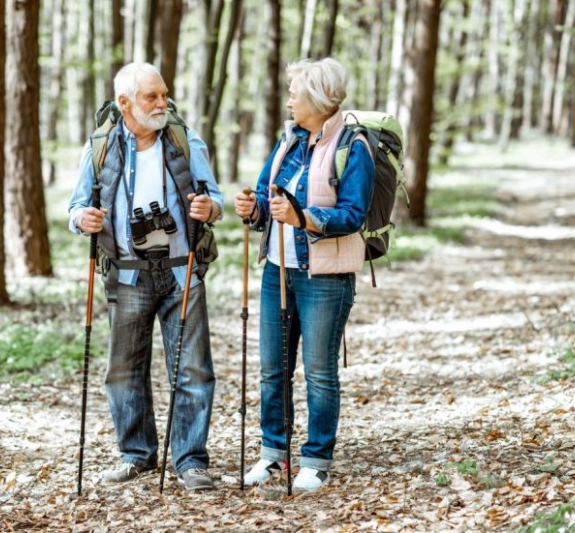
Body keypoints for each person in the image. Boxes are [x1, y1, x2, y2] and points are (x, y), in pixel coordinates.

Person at [68, 62, 223, 492]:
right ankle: (136, 454)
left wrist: (209, 208)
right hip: (128, 275)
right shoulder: (100, 147)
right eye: (152, 96)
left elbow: (216, 197)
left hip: (182, 271)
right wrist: (86, 219)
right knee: (123, 371)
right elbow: (74, 209)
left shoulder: (184, 139)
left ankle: (190, 461)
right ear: (124, 102)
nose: (162, 103)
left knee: (192, 370)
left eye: (164, 94)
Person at [234, 58, 373, 492]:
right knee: (273, 370)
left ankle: (315, 460)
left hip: (325, 278)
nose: (289, 99)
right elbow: (265, 194)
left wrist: (303, 218)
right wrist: (253, 207)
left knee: (319, 371)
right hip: (278, 270)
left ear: (316, 98)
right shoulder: (288, 141)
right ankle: (272, 455)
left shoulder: (355, 146)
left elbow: (352, 214)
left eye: (295, 91)